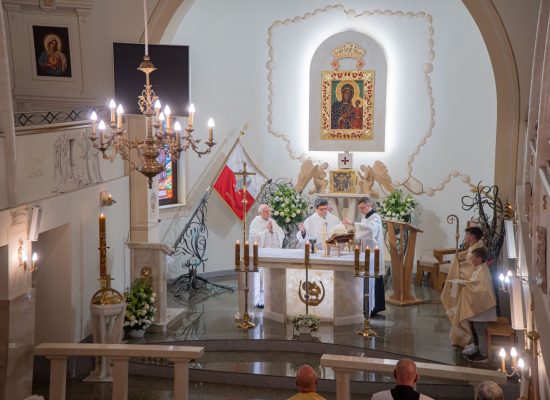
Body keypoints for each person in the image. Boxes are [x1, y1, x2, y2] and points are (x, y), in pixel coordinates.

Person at [448, 247, 497, 360]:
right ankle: (477, 347)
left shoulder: (482, 271)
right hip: (481, 306)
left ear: (479, 258)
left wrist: (464, 284)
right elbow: (474, 284)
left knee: (480, 330)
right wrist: (464, 283)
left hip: (483, 307)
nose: (471, 260)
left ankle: (483, 354)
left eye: (473, 257)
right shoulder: (480, 268)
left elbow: (479, 288)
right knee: (475, 328)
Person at [343, 197, 385, 316]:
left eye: (362, 208)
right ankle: (366, 305)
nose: (361, 210)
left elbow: (370, 229)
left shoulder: (375, 217)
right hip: (367, 250)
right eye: (359, 208)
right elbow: (362, 230)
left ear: (368, 205)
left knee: (373, 275)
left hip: (374, 250)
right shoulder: (365, 217)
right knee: (367, 275)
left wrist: (353, 223)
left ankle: (375, 307)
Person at [441, 226, 484, 324]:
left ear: (472, 236)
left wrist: (457, 264)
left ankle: (457, 315)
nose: (465, 236)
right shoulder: (474, 247)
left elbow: (470, 268)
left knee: (450, 283)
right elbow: (467, 257)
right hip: (469, 276)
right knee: (450, 282)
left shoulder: (476, 250)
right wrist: (459, 258)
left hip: (471, 279)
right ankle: (455, 312)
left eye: (467, 234)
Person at [248, 204, 284, 307]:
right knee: (262, 276)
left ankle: (275, 295)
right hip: (262, 255)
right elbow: (253, 236)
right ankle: (261, 300)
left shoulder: (272, 221)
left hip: (274, 253)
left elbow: (281, 233)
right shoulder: (255, 222)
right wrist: (266, 231)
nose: (269, 213)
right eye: (266, 211)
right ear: (260, 213)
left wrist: (273, 231)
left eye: (269, 211)